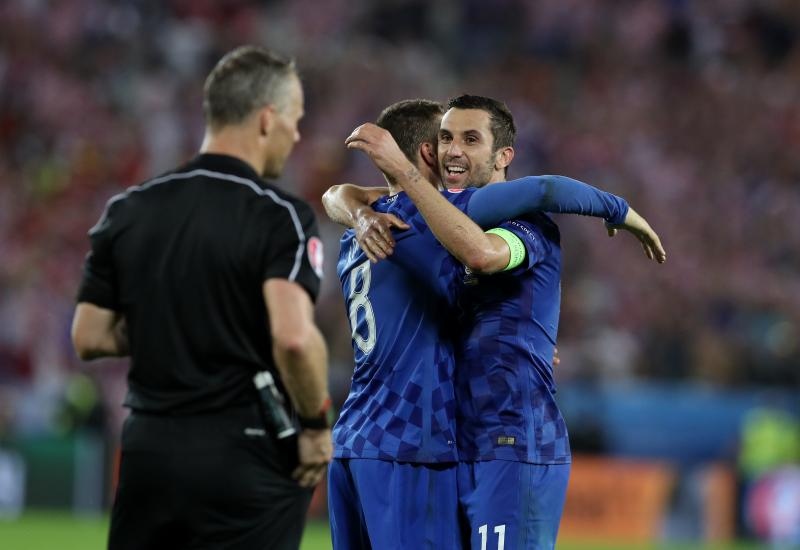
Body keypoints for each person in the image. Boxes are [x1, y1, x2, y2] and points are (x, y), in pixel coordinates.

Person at [326, 98, 664, 549]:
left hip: (506, 440)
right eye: (445, 138)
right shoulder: (413, 223)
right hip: (435, 444)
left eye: (469, 139)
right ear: (429, 151)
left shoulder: (522, 225)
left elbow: (486, 250)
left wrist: (358, 205)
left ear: (503, 155)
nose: (453, 152)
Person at [70, 46, 332, 550]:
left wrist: (174, 319)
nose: (297, 135)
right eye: (295, 120)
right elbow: (294, 338)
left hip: (148, 449)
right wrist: (317, 425)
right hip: (244, 450)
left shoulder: (128, 209)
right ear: (266, 119)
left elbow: (89, 335)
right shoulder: (279, 215)